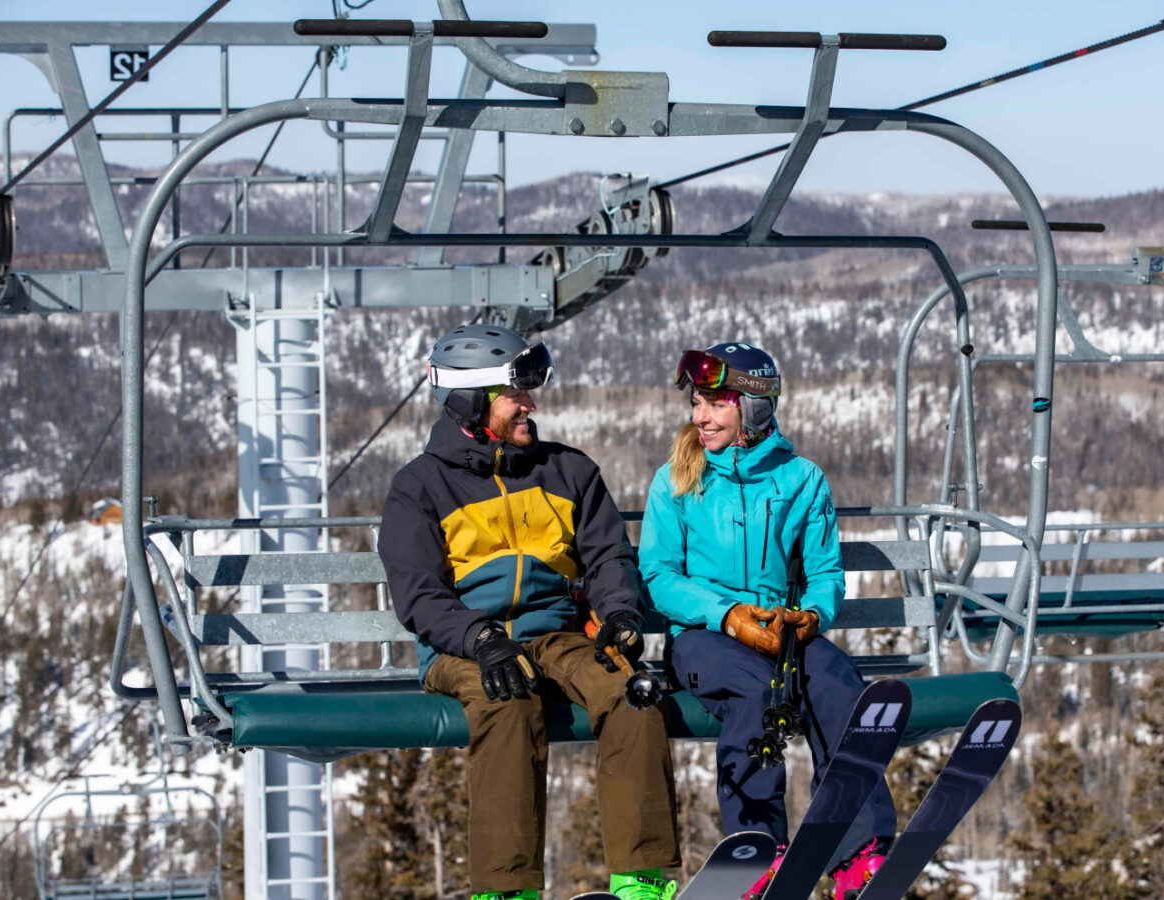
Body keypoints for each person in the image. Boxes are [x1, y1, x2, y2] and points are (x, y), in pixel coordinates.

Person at [378, 323, 681, 900]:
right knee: (507, 700)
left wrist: (619, 613)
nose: (531, 406)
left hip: (556, 636)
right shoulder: (419, 488)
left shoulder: (568, 471)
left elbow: (609, 556)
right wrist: (481, 636)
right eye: (516, 396)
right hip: (465, 646)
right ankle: (507, 889)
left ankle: (642, 880)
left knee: (633, 694)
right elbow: (417, 592)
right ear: (472, 400)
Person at [638, 342, 897, 900]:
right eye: (697, 404)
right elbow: (659, 576)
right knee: (755, 691)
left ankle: (859, 852)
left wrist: (811, 616)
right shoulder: (678, 481)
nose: (699, 417)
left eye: (715, 405)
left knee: (837, 684)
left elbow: (825, 571)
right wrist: (726, 615)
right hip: (703, 640)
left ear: (752, 408)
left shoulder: (801, 479)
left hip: (781, 634)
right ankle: (758, 848)